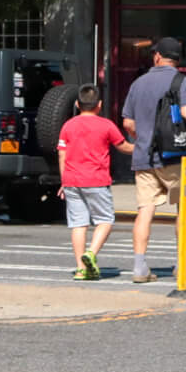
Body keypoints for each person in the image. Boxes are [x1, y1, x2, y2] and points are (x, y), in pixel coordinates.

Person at [120, 36, 186, 284]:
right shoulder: (181, 80)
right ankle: (182, 263)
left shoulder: (138, 83)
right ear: (177, 59)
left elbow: (127, 123)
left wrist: (142, 136)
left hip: (144, 155)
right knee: (185, 206)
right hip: (175, 157)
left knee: (145, 210)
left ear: (157, 56)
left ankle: (139, 266)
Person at [55, 86, 132, 280]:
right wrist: (144, 148)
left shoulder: (68, 126)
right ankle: (91, 253)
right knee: (105, 220)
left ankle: (80, 269)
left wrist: (64, 180)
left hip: (71, 180)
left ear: (77, 104)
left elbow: (62, 153)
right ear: (99, 105)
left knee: (78, 224)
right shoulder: (106, 125)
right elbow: (123, 147)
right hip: (96, 179)